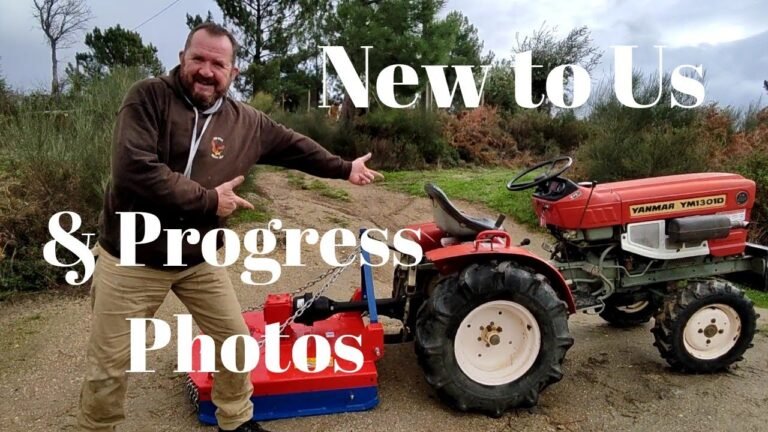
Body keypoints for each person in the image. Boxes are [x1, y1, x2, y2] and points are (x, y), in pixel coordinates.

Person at [77, 22, 382, 432]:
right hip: (133, 256)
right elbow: (134, 171)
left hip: (195, 258)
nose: (206, 70)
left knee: (235, 342)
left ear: (232, 73)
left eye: (217, 64)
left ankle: (236, 421)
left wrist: (345, 168)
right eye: (198, 59)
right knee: (108, 365)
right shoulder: (147, 97)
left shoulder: (246, 122)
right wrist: (209, 201)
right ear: (183, 58)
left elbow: (295, 147)